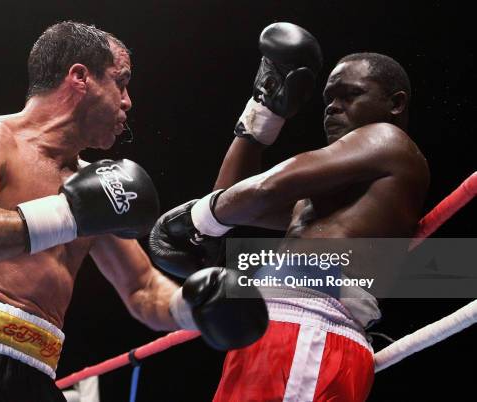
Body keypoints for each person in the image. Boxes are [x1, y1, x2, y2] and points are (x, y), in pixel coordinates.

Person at [0, 21, 268, 402]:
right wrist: (71, 214)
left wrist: (198, 307)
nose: (128, 102)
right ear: (80, 77)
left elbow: (142, 289)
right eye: (120, 82)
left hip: (36, 374)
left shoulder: (100, 188)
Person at [149, 22, 430, 401]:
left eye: (351, 95)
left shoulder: (390, 141)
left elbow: (267, 188)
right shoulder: (327, 200)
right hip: (275, 333)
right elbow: (235, 198)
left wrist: (200, 219)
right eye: (329, 97)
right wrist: (263, 113)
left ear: (394, 104)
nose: (333, 106)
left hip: (311, 334)